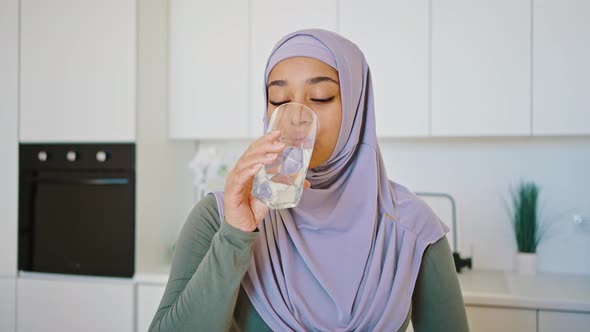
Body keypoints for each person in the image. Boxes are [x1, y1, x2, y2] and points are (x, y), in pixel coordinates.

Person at [149, 29, 469, 332]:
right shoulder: (218, 217)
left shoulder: (413, 230)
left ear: (358, 108)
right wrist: (234, 234)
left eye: (321, 96)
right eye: (278, 99)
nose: (298, 113)